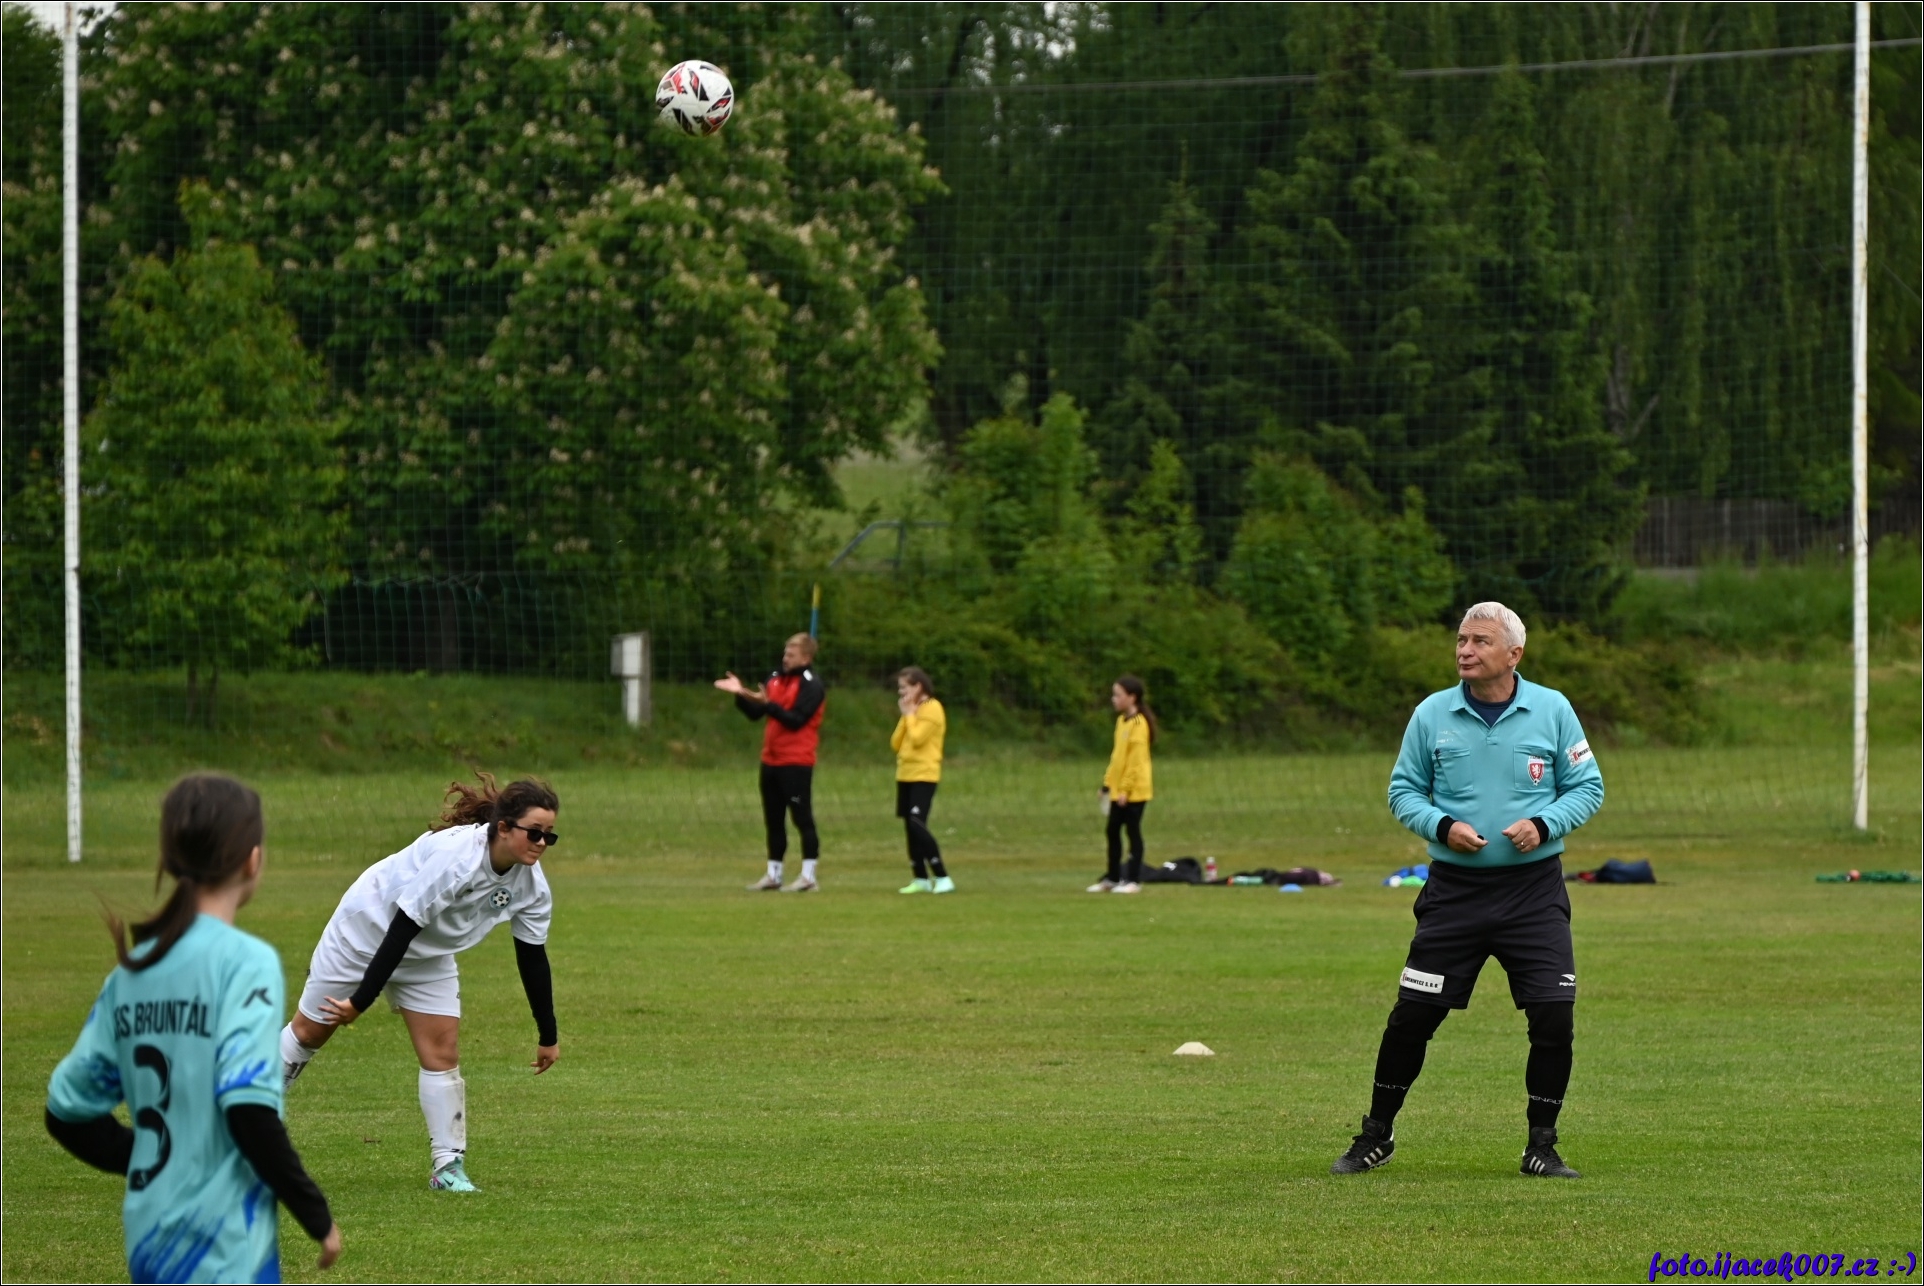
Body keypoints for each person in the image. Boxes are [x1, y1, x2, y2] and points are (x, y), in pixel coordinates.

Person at [1331, 602, 1603, 1180]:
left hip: (1533, 894)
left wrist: (1545, 824)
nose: (1465, 650)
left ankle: (1542, 1145)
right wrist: (1441, 826)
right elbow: (1403, 791)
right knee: (1412, 1017)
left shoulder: (1553, 709)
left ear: (1514, 654)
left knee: (1554, 1017)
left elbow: (1587, 787)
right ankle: (1376, 1135)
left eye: (1480, 641)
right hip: (1454, 894)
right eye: (1461, 639)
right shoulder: (1431, 713)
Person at [46, 773, 343, 1282]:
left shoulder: (132, 973)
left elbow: (67, 1111)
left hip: (150, 1236)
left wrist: (150, 1154)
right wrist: (315, 1213)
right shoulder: (244, 963)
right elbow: (248, 1109)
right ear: (252, 860)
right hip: (225, 1243)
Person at [279, 773, 561, 1193]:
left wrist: (547, 1035)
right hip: (367, 932)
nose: (541, 843)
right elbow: (401, 927)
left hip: (427, 952)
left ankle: (448, 1168)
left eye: (549, 836)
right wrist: (360, 1001)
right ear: (504, 827)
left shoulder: (531, 887)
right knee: (309, 1033)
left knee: (442, 1050)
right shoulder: (456, 859)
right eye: (534, 833)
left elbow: (532, 958)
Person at [716, 632, 827, 893]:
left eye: (792, 654)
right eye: (785, 653)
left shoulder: (812, 685)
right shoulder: (775, 678)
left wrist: (769, 705)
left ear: (806, 657)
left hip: (796, 762)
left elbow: (795, 720)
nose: (785, 658)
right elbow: (756, 713)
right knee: (773, 819)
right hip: (771, 760)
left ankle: (808, 876)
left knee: (802, 817)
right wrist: (740, 694)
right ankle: (774, 874)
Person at [1087, 674, 1156, 894]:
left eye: (1118, 695)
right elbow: (1117, 758)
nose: (1113, 699)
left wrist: (1126, 789)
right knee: (1112, 831)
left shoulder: (1139, 724)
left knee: (1132, 832)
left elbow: (1135, 762)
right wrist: (1107, 785)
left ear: (1132, 698)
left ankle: (1133, 881)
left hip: (1135, 791)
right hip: (1119, 790)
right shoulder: (1121, 722)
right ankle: (1113, 878)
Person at [891, 665, 952, 894]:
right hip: (905, 773)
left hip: (924, 774)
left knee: (917, 823)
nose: (901, 692)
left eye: (905, 687)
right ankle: (920, 878)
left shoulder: (932, 709)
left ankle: (942, 876)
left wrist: (910, 715)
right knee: (909, 825)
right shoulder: (912, 711)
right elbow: (896, 743)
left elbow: (917, 739)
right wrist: (906, 716)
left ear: (918, 686)